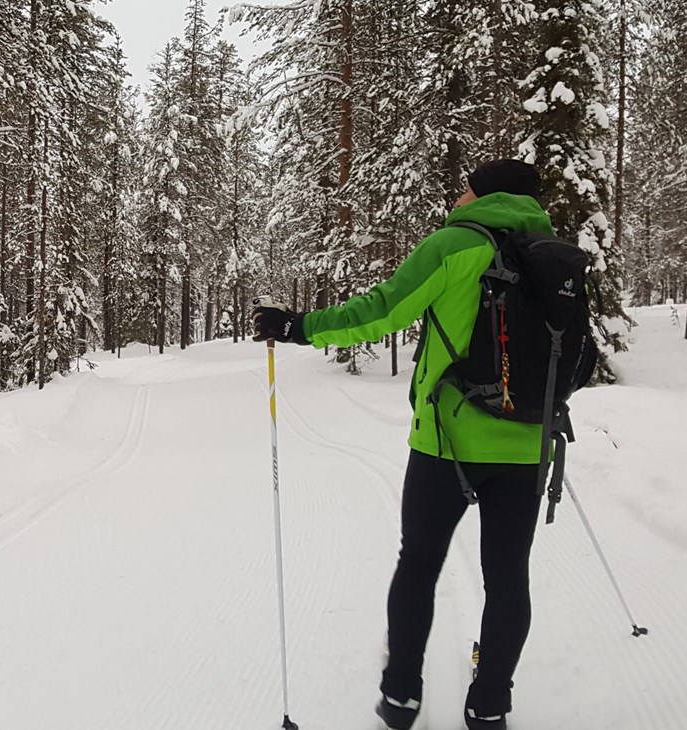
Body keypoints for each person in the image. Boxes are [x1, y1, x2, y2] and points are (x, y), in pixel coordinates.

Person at [250, 159, 554, 730]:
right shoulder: (553, 253)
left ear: (485, 193)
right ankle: (490, 705)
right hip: (527, 447)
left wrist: (299, 327)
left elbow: (383, 310)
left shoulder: (454, 244)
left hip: (446, 441)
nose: (459, 194)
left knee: (418, 561)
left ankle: (400, 696)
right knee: (509, 575)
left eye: (467, 186)